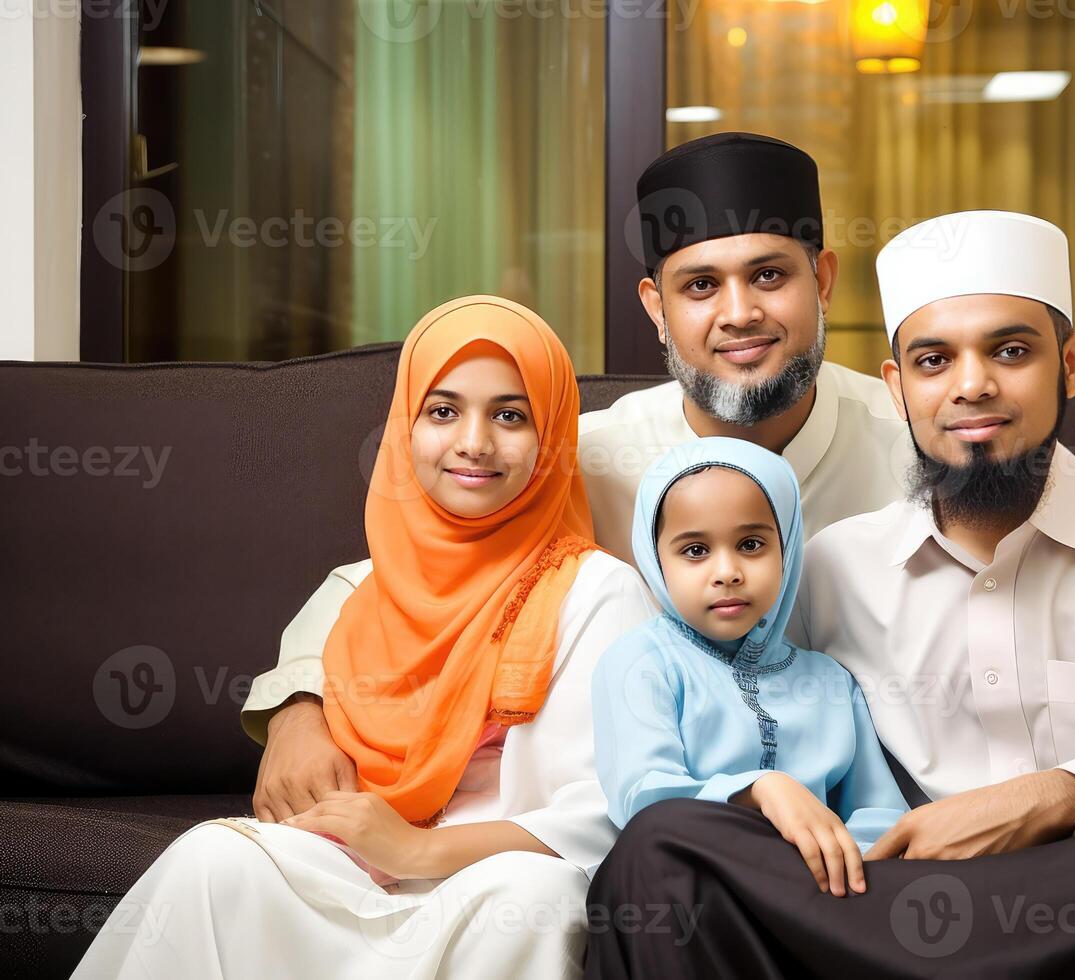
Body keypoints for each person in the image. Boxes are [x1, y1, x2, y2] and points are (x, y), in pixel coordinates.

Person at [250, 134, 1075, 917]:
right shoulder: (592, 457)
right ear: (656, 308)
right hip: (748, 823)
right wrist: (302, 704)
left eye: (770, 275)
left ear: (823, 280)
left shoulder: (935, 430)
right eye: (700, 285)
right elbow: (402, 567)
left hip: (921, 813)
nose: (739, 313)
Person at [582, 212, 1075, 977]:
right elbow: (757, 708)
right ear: (898, 388)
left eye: (1010, 351)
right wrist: (773, 796)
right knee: (662, 849)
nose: (972, 385)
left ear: (1071, 365)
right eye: (935, 361)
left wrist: (1044, 798)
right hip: (892, 905)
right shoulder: (837, 564)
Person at [72, 296, 657, 979]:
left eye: (510, 414)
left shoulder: (598, 593)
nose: (474, 441)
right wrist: (303, 727)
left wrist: (415, 851)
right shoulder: (358, 590)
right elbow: (301, 706)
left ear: (552, 435)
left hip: (489, 875)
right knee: (215, 856)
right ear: (406, 429)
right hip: (349, 863)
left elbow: (608, 811)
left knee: (539, 897)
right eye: (443, 411)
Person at [591, 437, 908, 898]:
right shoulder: (641, 663)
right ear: (656, 559)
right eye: (695, 551)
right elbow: (643, 798)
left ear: (788, 549)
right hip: (697, 891)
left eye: (751, 544)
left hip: (823, 895)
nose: (727, 572)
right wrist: (759, 788)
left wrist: (844, 861)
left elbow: (881, 811)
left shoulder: (830, 682)